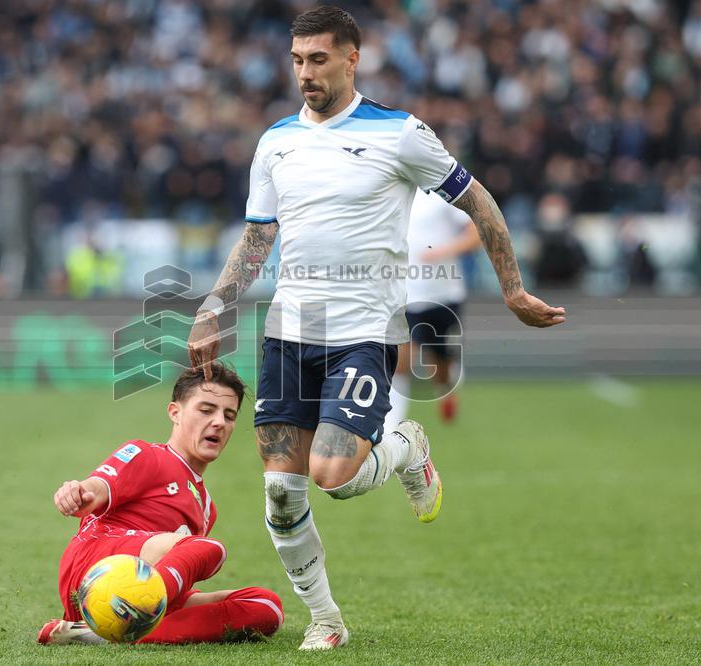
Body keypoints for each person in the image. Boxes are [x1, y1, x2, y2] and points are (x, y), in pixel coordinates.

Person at [187, 6, 565, 651]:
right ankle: (327, 620)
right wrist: (214, 304)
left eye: (319, 60)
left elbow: (479, 203)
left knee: (333, 477)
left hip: (362, 332)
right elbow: (257, 237)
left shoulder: (401, 134)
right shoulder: (276, 140)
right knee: (281, 491)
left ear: (352, 58)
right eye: (297, 61)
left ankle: (406, 446)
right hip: (287, 332)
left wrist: (511, 288)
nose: (305, 73)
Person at [37, 363, 284, 646]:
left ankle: (99, 633)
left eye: (229, 415)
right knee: (208, 548)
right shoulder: (147, 455)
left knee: (267, 606)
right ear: (175, 413)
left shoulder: (206, 507)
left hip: (143, 587)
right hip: (97, 571)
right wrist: (79, 493)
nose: (219, 422)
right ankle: (129, 614)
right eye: (206, 410)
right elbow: (96, 488)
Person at [384, 188, 482, 433]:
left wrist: (443, 251)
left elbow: (476, 233)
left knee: (439, 365)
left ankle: (446, 387)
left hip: (443, 293)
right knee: (400, 359)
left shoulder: (442, 191)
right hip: (404, 291)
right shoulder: (390, 189)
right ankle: (392, 421)